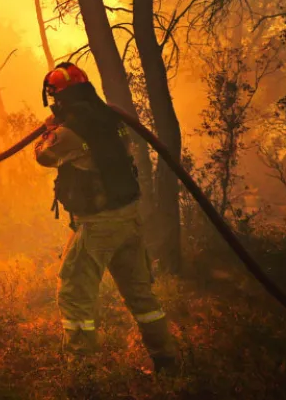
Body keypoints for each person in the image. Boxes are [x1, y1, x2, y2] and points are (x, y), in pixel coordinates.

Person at [34, 62, 178, 374]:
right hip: (128, 218)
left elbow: (44, 155)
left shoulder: (69, 131)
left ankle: (82, 371)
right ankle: (166, 361)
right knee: (141, 294)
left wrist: (48, 130)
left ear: (57, 97)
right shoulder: (111, 119)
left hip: (97, 225)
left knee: (74, 296)